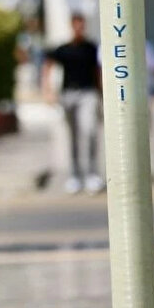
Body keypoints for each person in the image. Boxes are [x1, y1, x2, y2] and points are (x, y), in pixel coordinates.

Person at [43, 13, 103, 195]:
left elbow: (98, 71)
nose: (79, 29)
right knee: (73, 135)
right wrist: (47, 90)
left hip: (88, 93)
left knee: (90, 130)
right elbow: (48, 65)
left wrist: (102, 93)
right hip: (68, 94)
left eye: (81, 25)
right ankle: (75, 174)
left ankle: (93, 172)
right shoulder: (64, 49)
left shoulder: (91, 48)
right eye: (76, 25)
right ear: (71, 26)